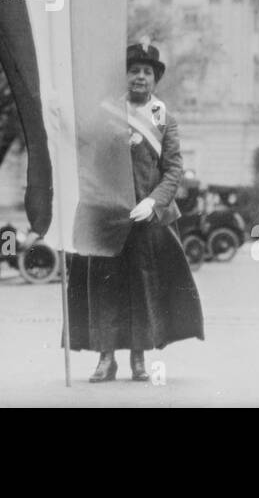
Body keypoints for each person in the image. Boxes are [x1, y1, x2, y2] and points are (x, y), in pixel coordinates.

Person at [66, 42, 204, 382]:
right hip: (106, 216)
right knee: (104, 286)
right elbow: (84, 151)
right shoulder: (104, 112)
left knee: (144, 287)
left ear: (155, 80)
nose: (140, 77)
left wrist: (153, 202)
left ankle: (139, 359)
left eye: (147, 72)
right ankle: (105, 358)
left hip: (145, 218)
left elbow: (173, 169)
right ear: (124, 77)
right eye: (133, 70)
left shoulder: (163, 118)